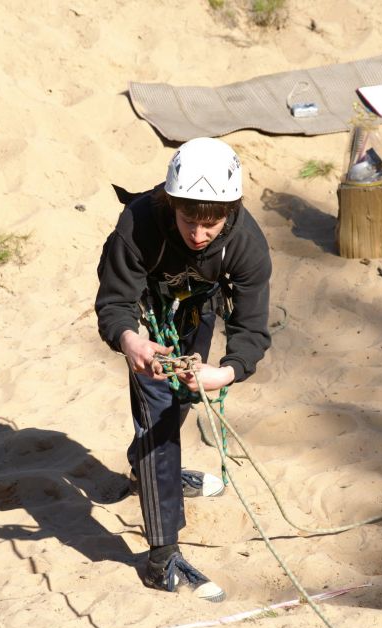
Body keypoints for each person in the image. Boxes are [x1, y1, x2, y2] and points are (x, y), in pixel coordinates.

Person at [95, 137, 271, 602]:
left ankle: (147, 472)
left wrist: (224, 373)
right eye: (189, 221)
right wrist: (130, 339)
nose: (198, 235)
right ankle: (162, 559)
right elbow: (113, 303)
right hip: (146, 314)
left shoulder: (246, 242)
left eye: (211, 225)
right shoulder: (137, 225)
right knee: (158, 416)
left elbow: (252, 329)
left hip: (197, 305)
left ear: (230, 213)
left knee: (186, 395)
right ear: (171, 204)